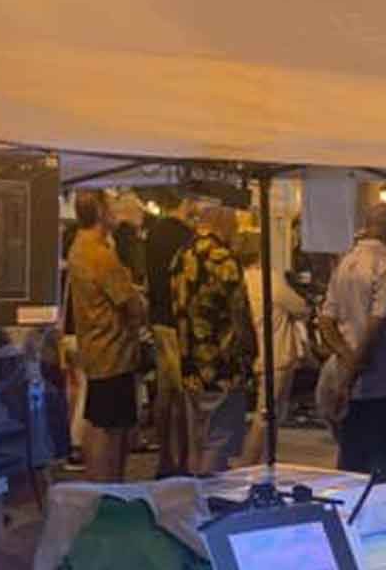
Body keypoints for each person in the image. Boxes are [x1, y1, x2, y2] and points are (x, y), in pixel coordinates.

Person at [326, 203, 386, 476]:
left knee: (352, 465)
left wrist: (346, 358)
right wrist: (354, 369)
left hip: (353, 384)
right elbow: (377, 324)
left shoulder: (345, 263)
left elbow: (325, 320)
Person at [64, 189, 147, 482]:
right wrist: (140, 301)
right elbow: (129, 302)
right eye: (111, 205)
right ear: (100, 212)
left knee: (102, 419)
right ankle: (106, 485)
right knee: (108, 426)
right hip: (112, 350)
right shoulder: (99, 255)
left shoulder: (80, 247)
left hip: (98, 347)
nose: (116, 211)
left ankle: (103, 484)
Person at [169, 203, 255, 475]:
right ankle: (210, 498)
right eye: (235, 225)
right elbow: (240, 314)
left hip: (188, 364)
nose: (237, 232)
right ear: (224, 222)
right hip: (221, 365)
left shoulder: (181, 256)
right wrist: (250, 352)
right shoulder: (224, 261)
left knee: (196, 438)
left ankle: (194, 496)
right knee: (219, 440)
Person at [240, 235, 310, 465]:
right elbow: (299, 307)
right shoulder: (268, 279)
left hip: (259, 353)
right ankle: (251, 464)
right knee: (268, 414)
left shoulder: (243, 280)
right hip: (277, 353)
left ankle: (264, 462)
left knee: (268, 413)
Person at [142, 200, 194, 477]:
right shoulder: (184, 237)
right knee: (183, 395)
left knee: (165, 395)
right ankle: (184, 460)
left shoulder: (154, 233)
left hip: (158, 318)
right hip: (178, 323)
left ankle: (164, 456)